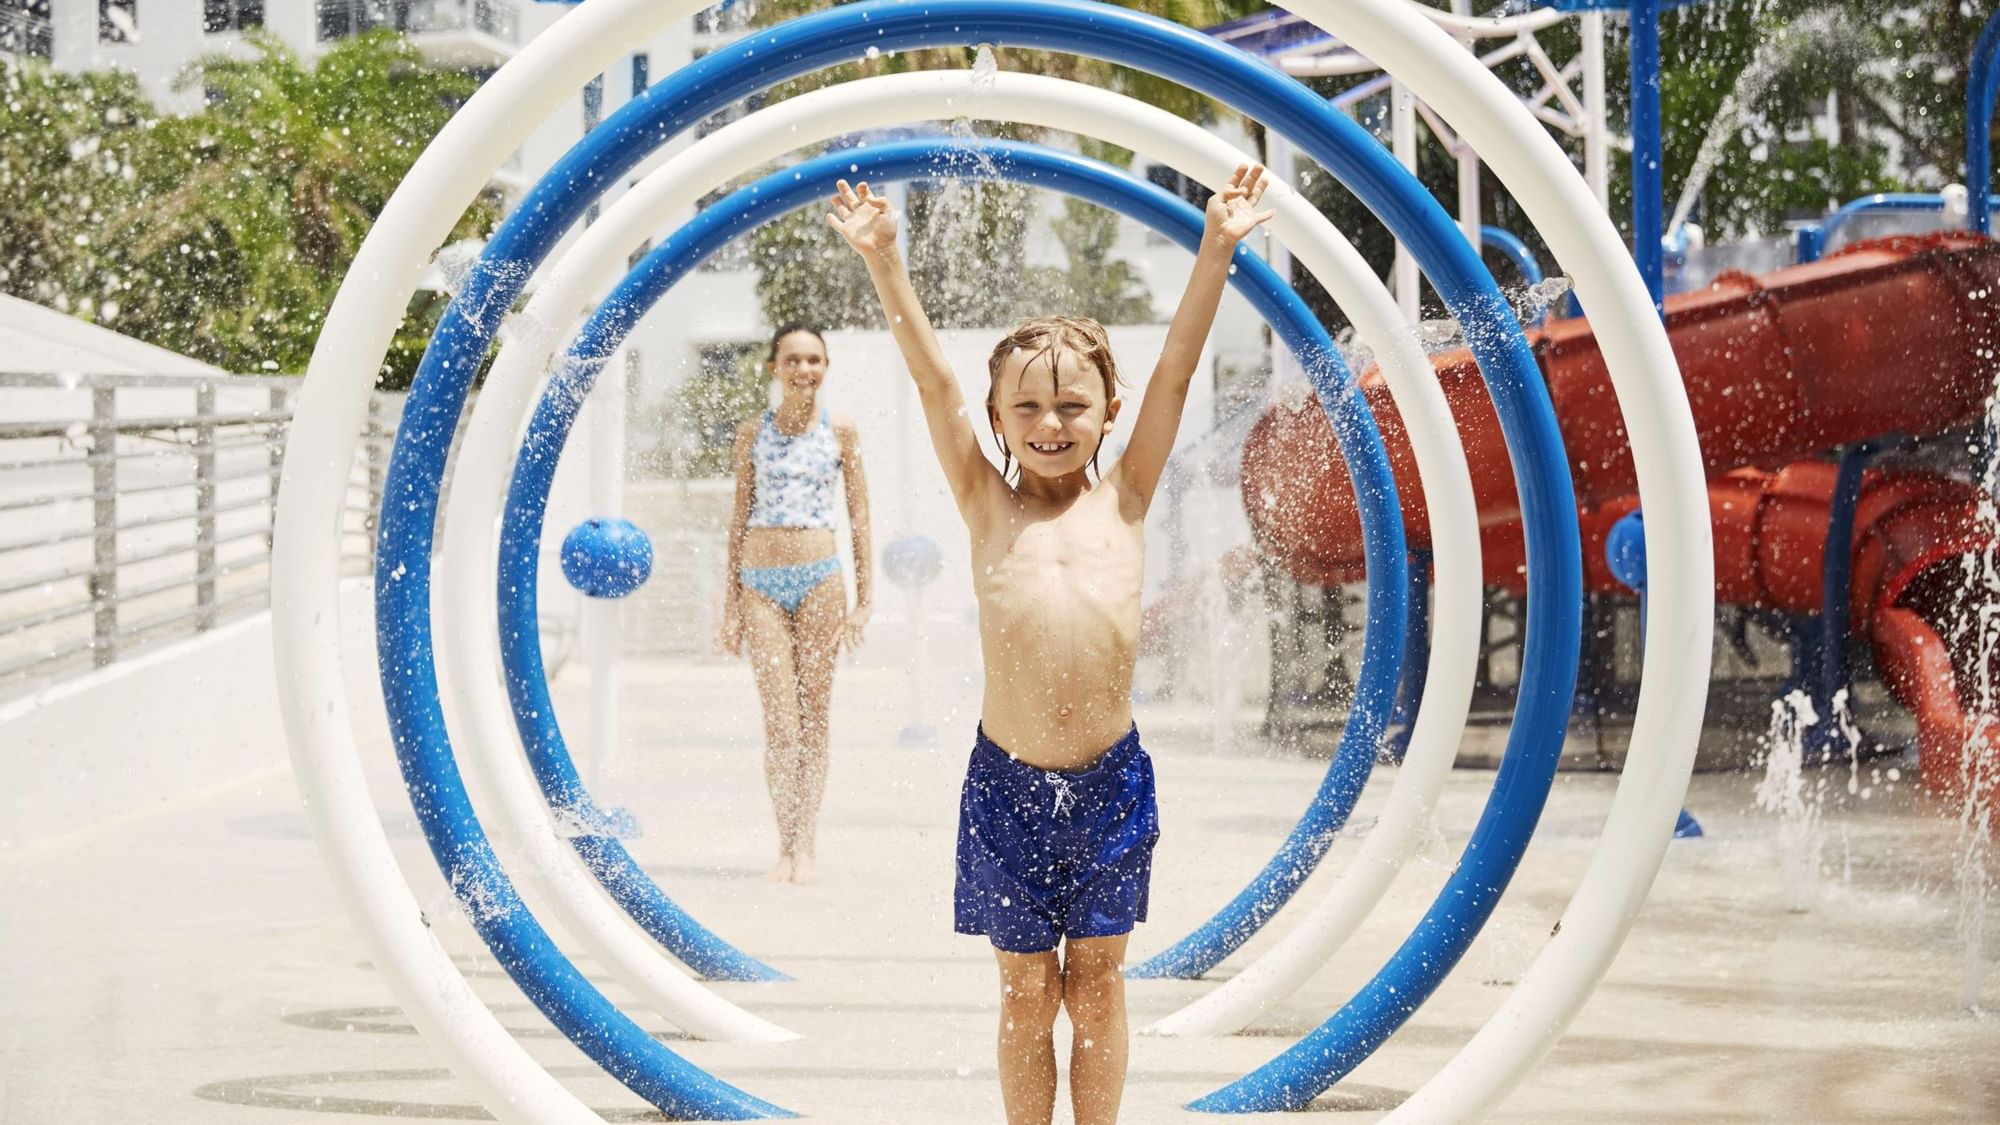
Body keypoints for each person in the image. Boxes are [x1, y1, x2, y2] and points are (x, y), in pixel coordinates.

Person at [829, 165, 1273, 1124]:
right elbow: (932, 378)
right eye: (1026, 408)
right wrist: (885, 262)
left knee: (1100, 985)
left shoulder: (1128, 497)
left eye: (1073, 404)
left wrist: (1216, 248)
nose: (1050, 423)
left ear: (1108, 412)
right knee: (1027, 991)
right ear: (998, 422)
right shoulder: (987, 507)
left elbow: (1178, 367)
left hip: (1110, 782)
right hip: (1007, 786)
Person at [721, 324, 873, 885]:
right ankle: (783, 845)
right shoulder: (750, 433)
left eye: (814, 360)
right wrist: (730, 606)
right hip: (760, 582)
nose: (804, 369)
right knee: (781, 725)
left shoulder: (843, 432)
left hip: (820, 581)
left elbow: (859, 517)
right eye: (793, 360)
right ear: (774, 369)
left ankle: (806, 845)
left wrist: (865, 600)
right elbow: (737, 522)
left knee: (815, 719)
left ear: (825, 367)